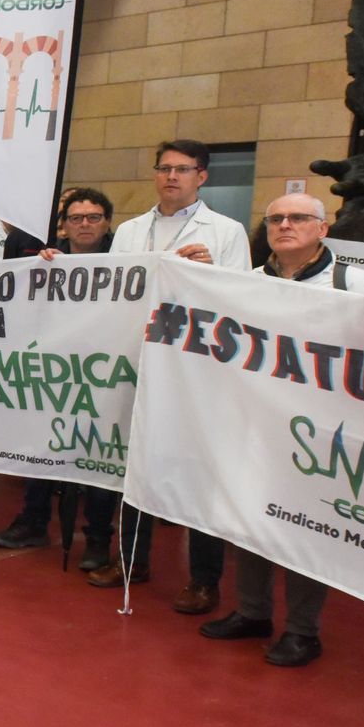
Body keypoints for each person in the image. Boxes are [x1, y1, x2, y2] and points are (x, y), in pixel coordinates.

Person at [197, 192, 364, 667]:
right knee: (250, 520)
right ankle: (252, 612)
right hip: (256, 427)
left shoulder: (355, 284)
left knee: (305, 530)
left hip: (322, 436)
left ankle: (302, 631)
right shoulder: (248, 284)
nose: (285, 225)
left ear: (323, 228)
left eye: (297, 218)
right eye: (275, 219)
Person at [88, 139, 251, 615]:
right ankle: (131, 560)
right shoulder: (133, 230)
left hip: (196, 369)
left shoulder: (226, 231)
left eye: (182, 169)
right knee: (135, 461)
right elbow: (107, 289)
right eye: (164, 168)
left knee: (198, 472)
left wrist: (211, 273)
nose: (171, 177)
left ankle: (204, 579)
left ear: (202, 176)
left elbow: (242, 298)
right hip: (137, 358)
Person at [0, 188, 119, 568]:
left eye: (93, 217)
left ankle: (96, 539)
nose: (84, 225)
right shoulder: (48, 260)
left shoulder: (126, 261)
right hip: (52, 375)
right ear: (64, 225)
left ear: (107, 222)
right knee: (41, 451)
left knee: (95, 460)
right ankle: (33, 521)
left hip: (103, 378)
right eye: (76, 218)